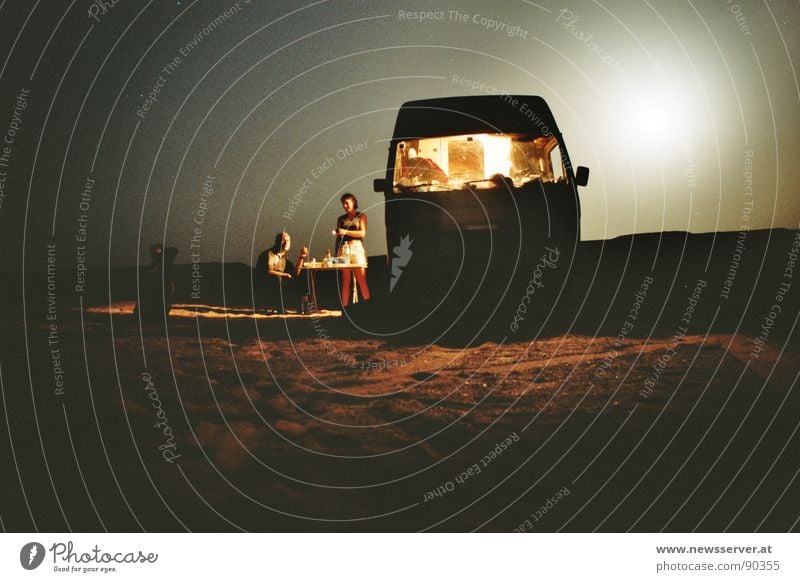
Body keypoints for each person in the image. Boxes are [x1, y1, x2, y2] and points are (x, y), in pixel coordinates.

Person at [256, 232, 308, 313]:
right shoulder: (269, 254)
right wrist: (285, 275)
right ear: (277, 242)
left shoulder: (284, 258)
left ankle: (301, 308)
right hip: (265, 282)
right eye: (284, 240)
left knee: (301, 278)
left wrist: (301, 257)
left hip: (280, 282)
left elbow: (295, 273)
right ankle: (279, 308)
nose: (286, 243)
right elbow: (268, 271)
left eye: (288, 240)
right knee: (278, 278)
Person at [334, 193, 370, 307]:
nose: (345, 205)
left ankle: (368, 306)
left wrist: (346, 232)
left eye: (347, 203)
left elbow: (362, 233)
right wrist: (336, 254)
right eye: (343, 204)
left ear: (353, 202)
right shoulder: (341, 219)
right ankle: (345, 307)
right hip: (343, 248)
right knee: (345, 280)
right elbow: (338, 237)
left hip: (356, 248)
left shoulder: (361, 216)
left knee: (361, 278)